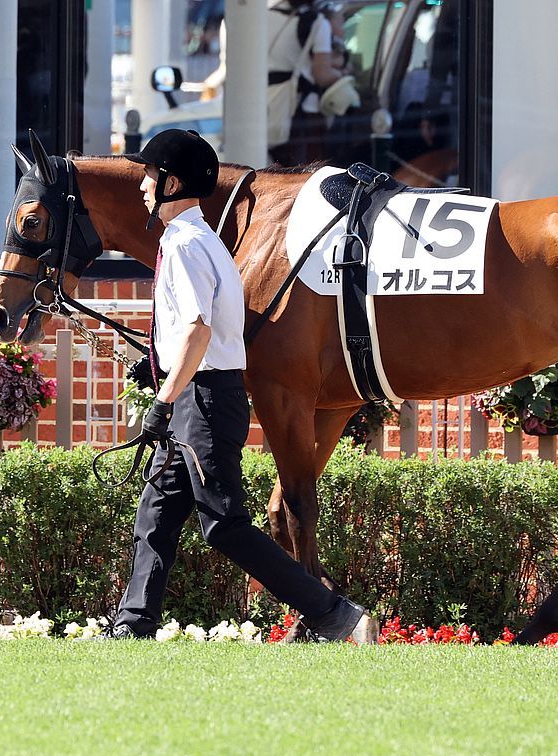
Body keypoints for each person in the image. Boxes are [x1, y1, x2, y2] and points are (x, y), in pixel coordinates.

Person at [104, 128, 369, 641]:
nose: (142, 186)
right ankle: (132, 625)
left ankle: (334, 613)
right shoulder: (199, 240)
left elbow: (199, 330)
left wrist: (164, 399)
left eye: (150, 176)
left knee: (224, 525)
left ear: (172, 183)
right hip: (199, 394)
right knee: (156, 514)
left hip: (202, 400)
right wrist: (162, 367)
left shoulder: (186, 245)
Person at [267, 0, 348, 166]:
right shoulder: (316, 23)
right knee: (302, 173)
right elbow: (322, 74)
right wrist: (342, 75)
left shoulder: (261, 17)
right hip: (300, 112)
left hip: (263, 104)